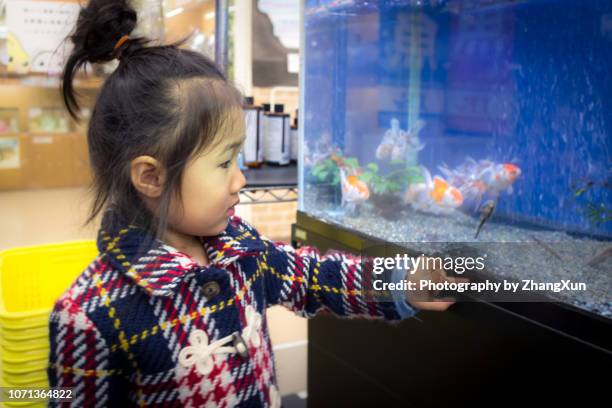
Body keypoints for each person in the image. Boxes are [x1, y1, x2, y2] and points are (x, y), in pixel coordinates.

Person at [47, 1, 460, 406]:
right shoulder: (88, 317)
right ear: (152, 176)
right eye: (225, 161)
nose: (240, 179)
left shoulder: (238, 249)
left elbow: (314, 276)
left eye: (238, 158)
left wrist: (400, 281)